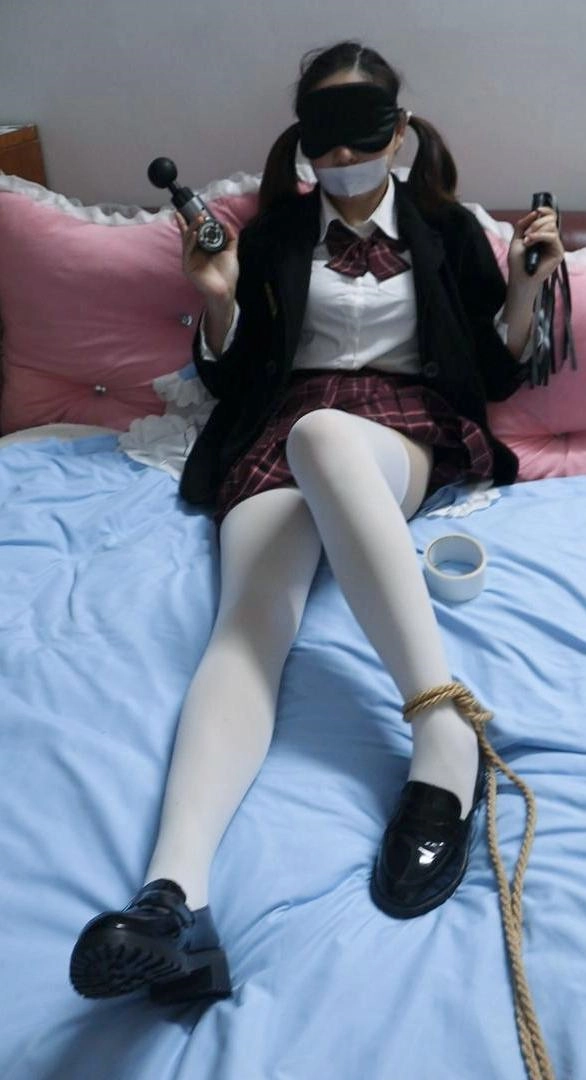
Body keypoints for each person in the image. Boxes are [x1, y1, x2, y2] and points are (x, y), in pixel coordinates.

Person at [69, 40, 564, 1007]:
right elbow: (235, 377)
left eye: (361, 134)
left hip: (397, 431)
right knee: (246, 628)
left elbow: (497, 374)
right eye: (323, 139)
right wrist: (218, 304)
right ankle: (174, 901)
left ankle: (443, 733)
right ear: (303, 141)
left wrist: (524, 287)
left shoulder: (445, 228)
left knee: (328, 437)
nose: (341, 158)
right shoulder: (276, 234)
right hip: (279, 425)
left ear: (400, 131)